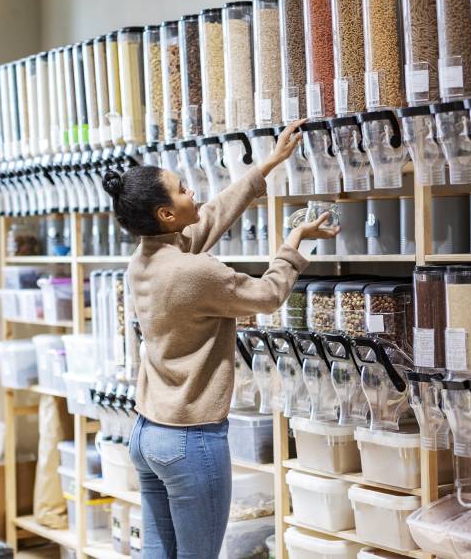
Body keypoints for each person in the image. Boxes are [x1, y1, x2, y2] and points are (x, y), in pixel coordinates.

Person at [102, 119, 336, 558]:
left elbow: (205, 221)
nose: (194, 193)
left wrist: (267, 165)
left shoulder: (145, 259)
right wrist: (294, 243)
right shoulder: (196, 272)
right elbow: (267, 295)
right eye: (182, 189)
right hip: (191, 439)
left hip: (149, 433)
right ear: (166, 215)